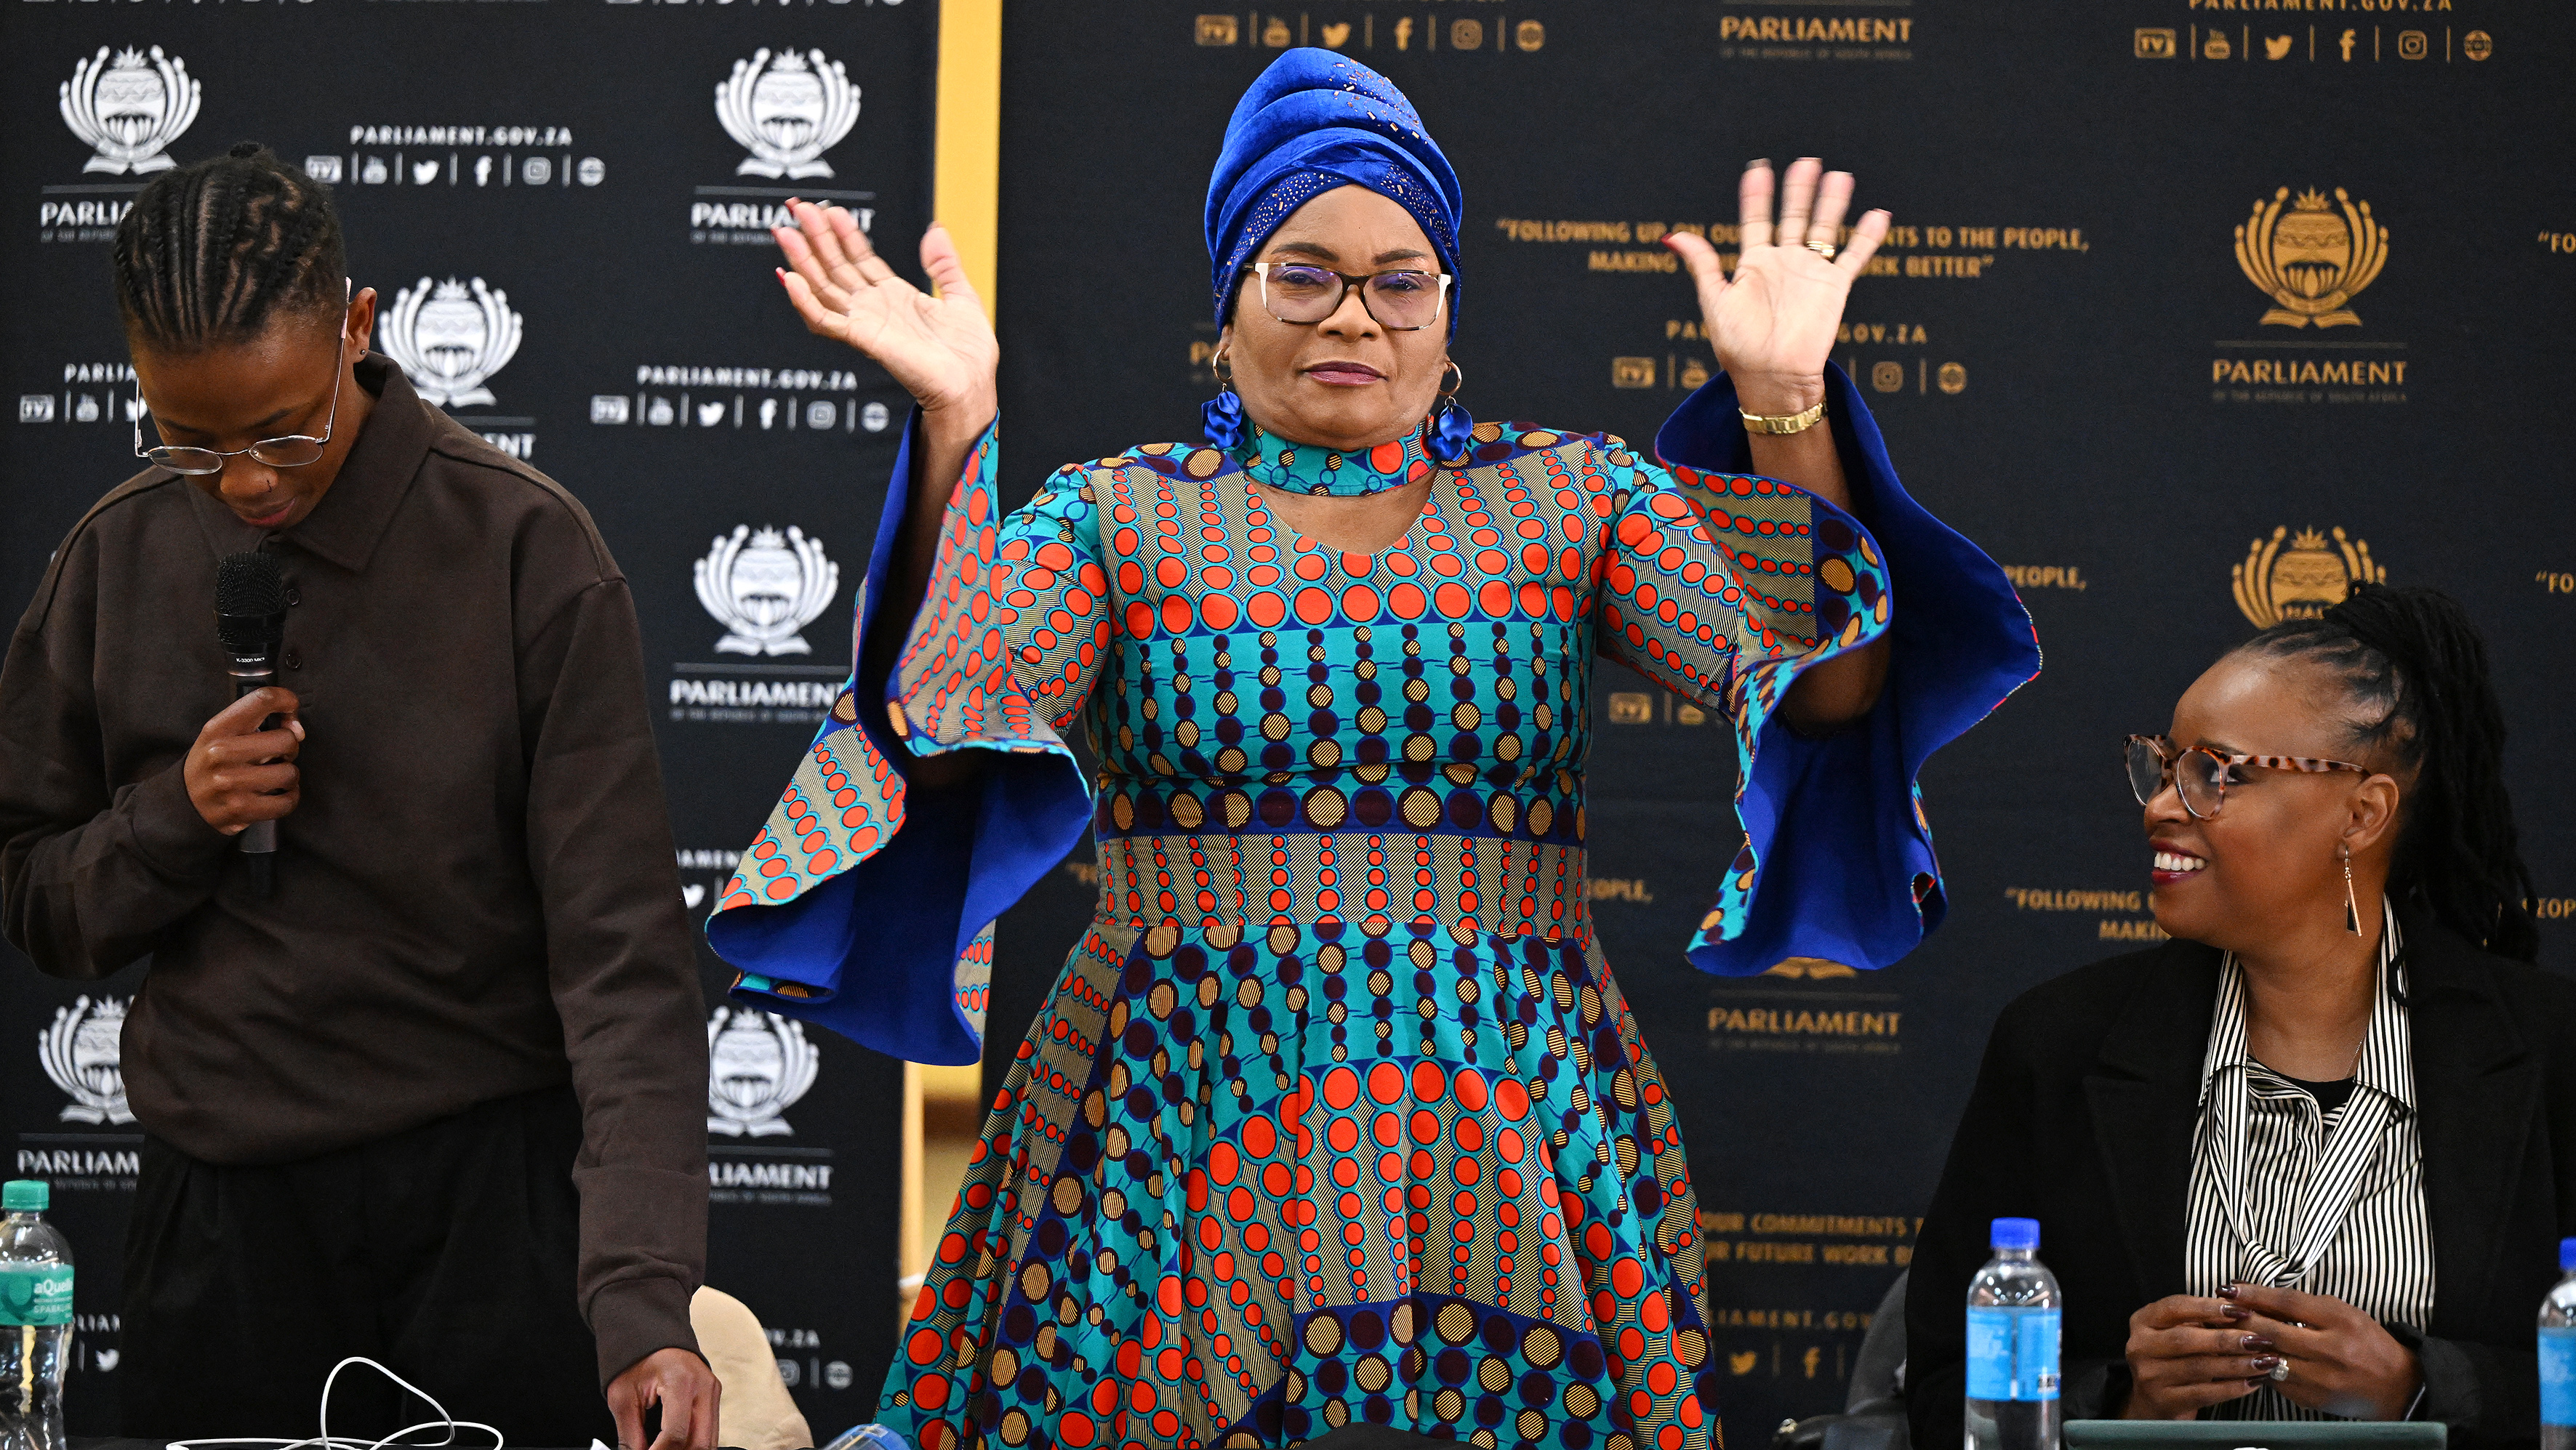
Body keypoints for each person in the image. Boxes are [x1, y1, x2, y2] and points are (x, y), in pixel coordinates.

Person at [709, 52, 2036, 1450]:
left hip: (1509, 1122)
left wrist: (1782, 397)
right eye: (1303, 275)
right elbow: (936, 742)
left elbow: (1824, 694)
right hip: (1170, 1121)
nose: (1352, 315)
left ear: (1445, 310)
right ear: (1228, 303)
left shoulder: (1569, 498)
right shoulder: (1111, 517)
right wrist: (953, 424)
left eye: (1398, 282)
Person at [0, 144, 718, 1446]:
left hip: (488, 1215)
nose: (247, 481)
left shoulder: (526, 549)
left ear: (358, 327)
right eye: (189, 441)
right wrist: (176, 816)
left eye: (285, 429)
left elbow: (624, 962)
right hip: (220, 1231)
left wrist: (640, 1294)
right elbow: (34, 893)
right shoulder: (114, 555)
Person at [1906, 584, 2575, 1450]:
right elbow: (1938, 1393)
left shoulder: (2547, 1052)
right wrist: (2122, 1406)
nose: (2160, 807)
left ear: (2361, 813)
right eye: (2163, 768)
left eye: (2217, 776)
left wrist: (2424, 1389)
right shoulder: (2058, 1045)